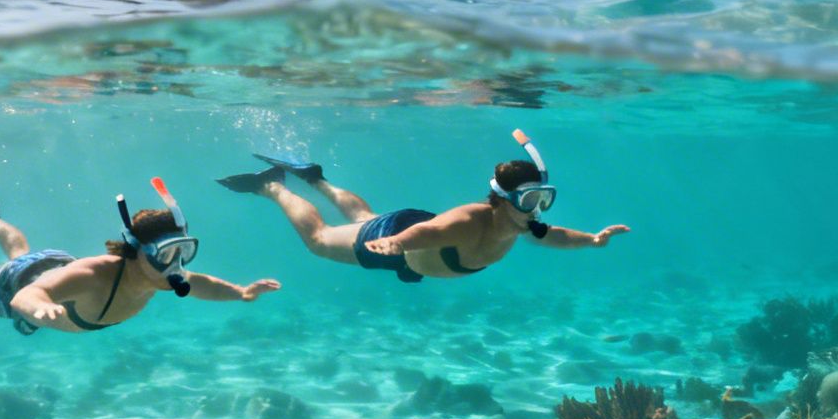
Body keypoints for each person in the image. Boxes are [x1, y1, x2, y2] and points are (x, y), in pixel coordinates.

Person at [0, 175, 280, 333]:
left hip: (50, 267)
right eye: (166, 254)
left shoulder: (160, 275)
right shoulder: (95, 275)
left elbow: (203, 285)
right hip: (20, 286)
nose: (177, 266)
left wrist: (241, 292)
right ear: (135, 252)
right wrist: (39, 310)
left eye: (182, 252)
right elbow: (26, 298)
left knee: (22, 253)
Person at [217, 130, 628, 283]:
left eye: (542, 198)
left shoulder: (521, 222)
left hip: (409, 246)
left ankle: (314, 176)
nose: (538, 209)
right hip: (405, 240)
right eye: (530, 200)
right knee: (320, 240)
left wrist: (592, 240)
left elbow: (552, 236)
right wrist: (396, 244)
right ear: (502, 200)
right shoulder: (471, 221)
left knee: (363, 217)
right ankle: (272, 187)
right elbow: (429, 233)